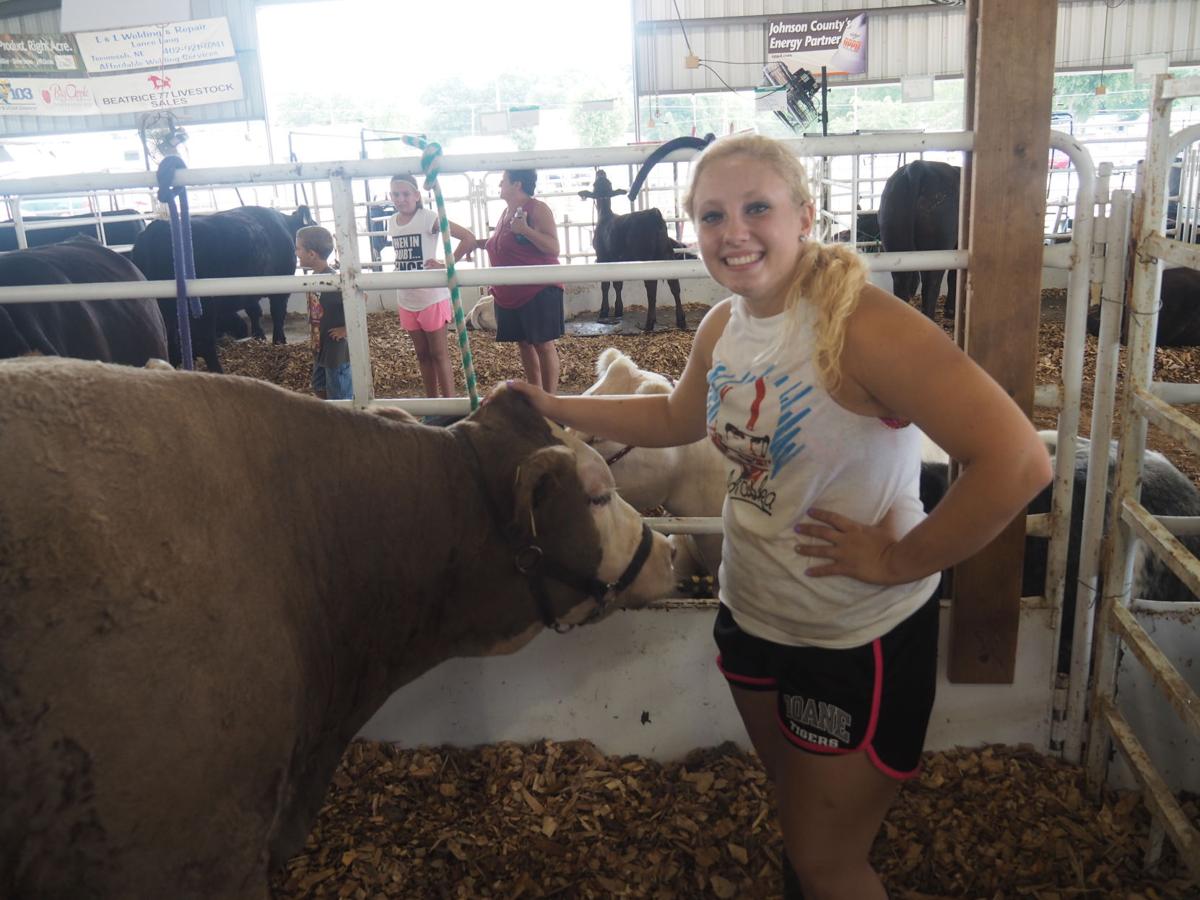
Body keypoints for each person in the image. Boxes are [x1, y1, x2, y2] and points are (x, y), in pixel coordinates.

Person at [505, 134, 1052, 900]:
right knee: (803, 821)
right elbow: (676, 412)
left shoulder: (862, 325)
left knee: (825, 860)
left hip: (850, 633)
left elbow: (1018, 460)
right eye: (711, 215)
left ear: (805, 215)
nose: (733, 232)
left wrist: (900, 559)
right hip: (754, 613)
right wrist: (554, 406)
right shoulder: (726, 326)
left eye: (757, 208)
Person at [386, 174, 477, 398]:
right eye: (396, 194)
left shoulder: (428, 217)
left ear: (417, 196)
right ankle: (432, 404)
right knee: (422, 355)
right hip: (406, 298)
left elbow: (467, 237)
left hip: (431, 298)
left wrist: (446, 264)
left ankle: (448, 405)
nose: (401, 199)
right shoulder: (392, 222)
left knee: (439, 353)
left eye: (406, 194)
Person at [484, 168, 564, 393]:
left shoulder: (537, 209)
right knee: (524, 342)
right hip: (510, 291)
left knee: (542, 343)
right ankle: (535, 393)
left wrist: (526, 230)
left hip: (537, 288)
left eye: (503, 181)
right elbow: (502, 244)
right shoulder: (505, 212)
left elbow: (553, 248)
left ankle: (549, 400)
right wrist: (477, 243)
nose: (500, 185)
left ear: (517, 184)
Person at [295, 224, 352, 401]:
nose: (296, 253)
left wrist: (346, 329)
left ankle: (344, 426)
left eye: (298, 248)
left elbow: (361, 298)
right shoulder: (315, 277)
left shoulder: (333, 279)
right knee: (319, 386)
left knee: (339, 393)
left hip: (335, 349)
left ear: (311, 254)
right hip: (320, 345)